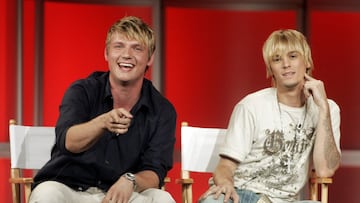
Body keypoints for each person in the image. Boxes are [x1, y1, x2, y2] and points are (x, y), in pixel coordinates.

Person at [29, 16, 177, 203]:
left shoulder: (162, 110)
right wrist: (103, 122)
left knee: (163, 199)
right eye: (119, 46)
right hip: (71, 189)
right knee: (46, 194)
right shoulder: (82, 91)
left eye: (137, 48)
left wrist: (130, 180)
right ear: (106, 53)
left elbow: (155, 172)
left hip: (124, 194)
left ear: (150, 58)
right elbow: (68, 141)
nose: (126, 54)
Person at [198, 29, 341, 203]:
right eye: (277, 59)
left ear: (307, 61)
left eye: (293, 56)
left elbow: (325, 170)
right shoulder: (251, 106)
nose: (286, 64)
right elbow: (225, 166)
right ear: (270, 68)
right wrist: (226, 183)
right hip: (241, 194)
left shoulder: (327, 108)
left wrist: (323, 109)